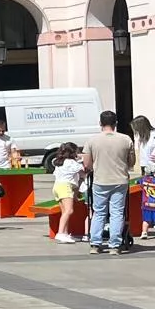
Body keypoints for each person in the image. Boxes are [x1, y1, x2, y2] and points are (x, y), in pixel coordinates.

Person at [82, 109, 137, 254]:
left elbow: (87, 163)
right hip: (120, 180)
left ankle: (95, 243)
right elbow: (131, 162)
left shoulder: (92, 140)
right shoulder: (126, 139)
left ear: (100, 123)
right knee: (117, 213)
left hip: (100, 180)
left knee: (99, 212)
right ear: (116, 123)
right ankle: (115, 245)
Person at [53, 143, 86, 243]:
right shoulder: (71, 163)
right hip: (65, 187)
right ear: (73, 152)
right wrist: (83, 159)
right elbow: (83, 171)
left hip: (57, 186)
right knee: (69, 211)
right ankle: (60, 233)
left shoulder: (60, 162)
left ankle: (65, 234)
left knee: (64, 212)